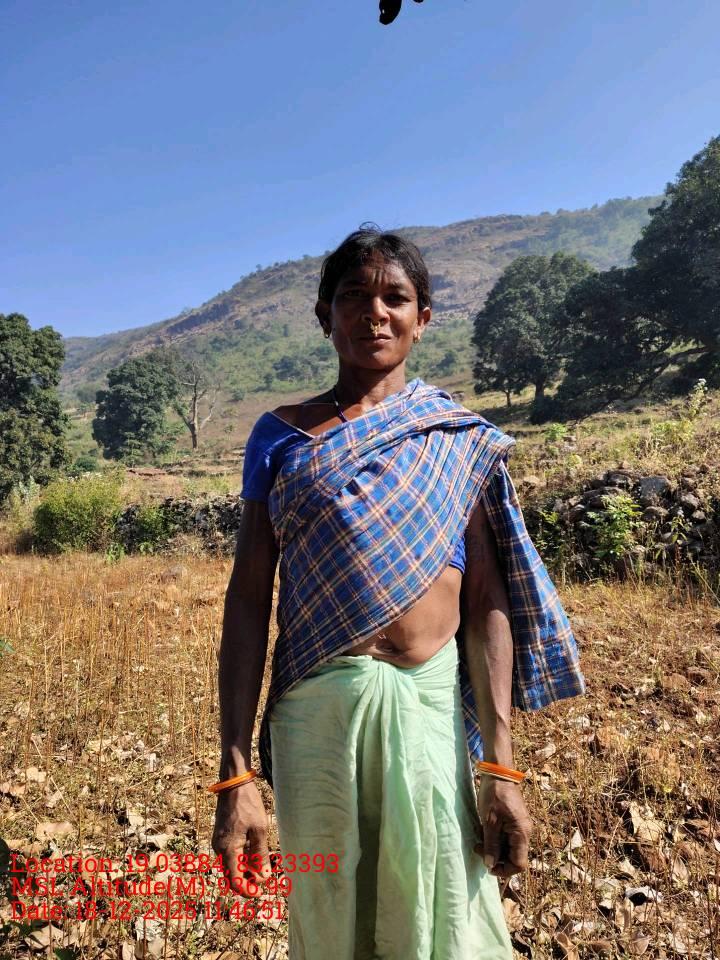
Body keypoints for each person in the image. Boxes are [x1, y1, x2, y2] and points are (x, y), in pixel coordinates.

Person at [211, 227, 585, 959]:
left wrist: (501, 768)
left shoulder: (456, 437)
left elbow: (485, 603)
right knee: (330, 910)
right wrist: (235, 775)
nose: (374, 312)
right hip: (317, 714)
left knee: (441, 902)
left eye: (395, 297)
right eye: (354, 296)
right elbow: (249, 600)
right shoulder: (279, 437)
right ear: (324, 315)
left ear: (423, 317)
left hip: (430, 707)